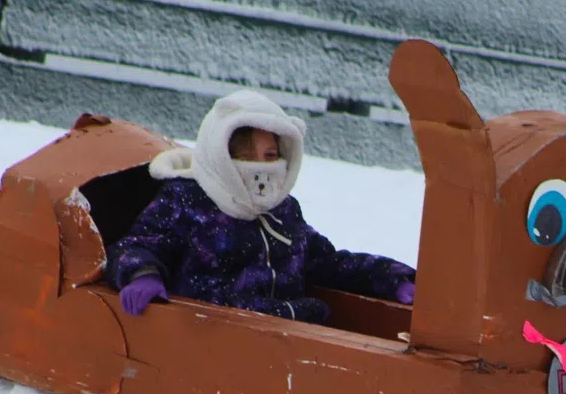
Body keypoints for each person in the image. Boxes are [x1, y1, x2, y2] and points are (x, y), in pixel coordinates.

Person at [106, 90, 416, 322]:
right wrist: (142, 274)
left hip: (290, 333)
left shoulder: (284, 212)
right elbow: (140, 244)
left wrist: (389, 278)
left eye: (270, 156)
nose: (263, 168)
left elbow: (326, 262)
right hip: (211, 332)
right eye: (248, 157)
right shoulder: (189, 200)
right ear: (221, 157)